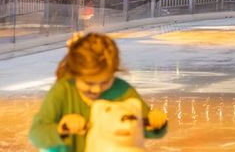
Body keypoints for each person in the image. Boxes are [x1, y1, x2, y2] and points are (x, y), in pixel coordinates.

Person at [29, 33, 168, 151]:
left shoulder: (124, 92)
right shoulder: (63, 90)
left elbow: (142, 128)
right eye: (89, 83)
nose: (96, 89)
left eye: (105, 82)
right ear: (74, 73)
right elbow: (36, 134)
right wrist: (62, 128)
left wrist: (155, 122)